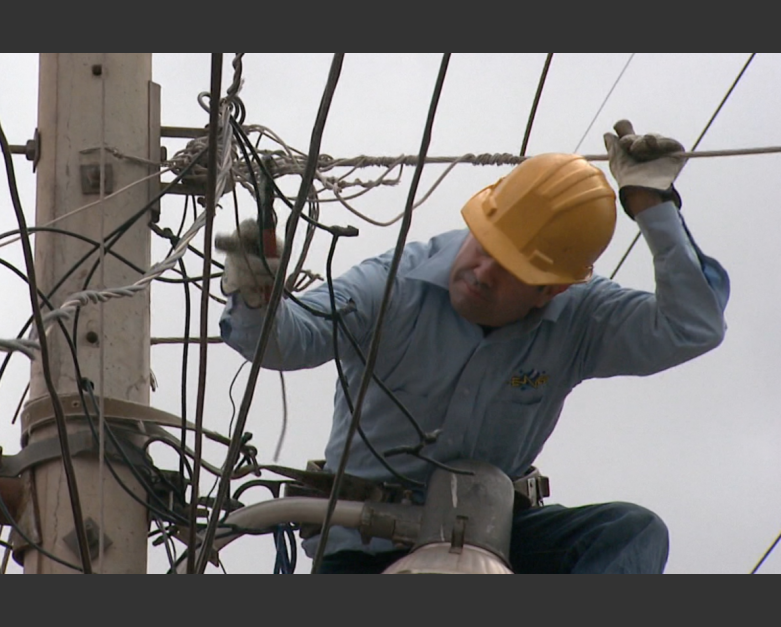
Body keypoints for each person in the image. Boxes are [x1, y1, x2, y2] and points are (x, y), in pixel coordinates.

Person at [215, 121, 730, 574]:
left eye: (511, 271)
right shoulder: (393, 284)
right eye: (484, 245)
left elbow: (692, 327)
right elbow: (290, 339)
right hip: (364, 548)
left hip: (494, 539)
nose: (483, 273)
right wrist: (256, 288)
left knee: (631, 532)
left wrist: (651, 206)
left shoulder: (581, 319)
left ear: (552, 290)